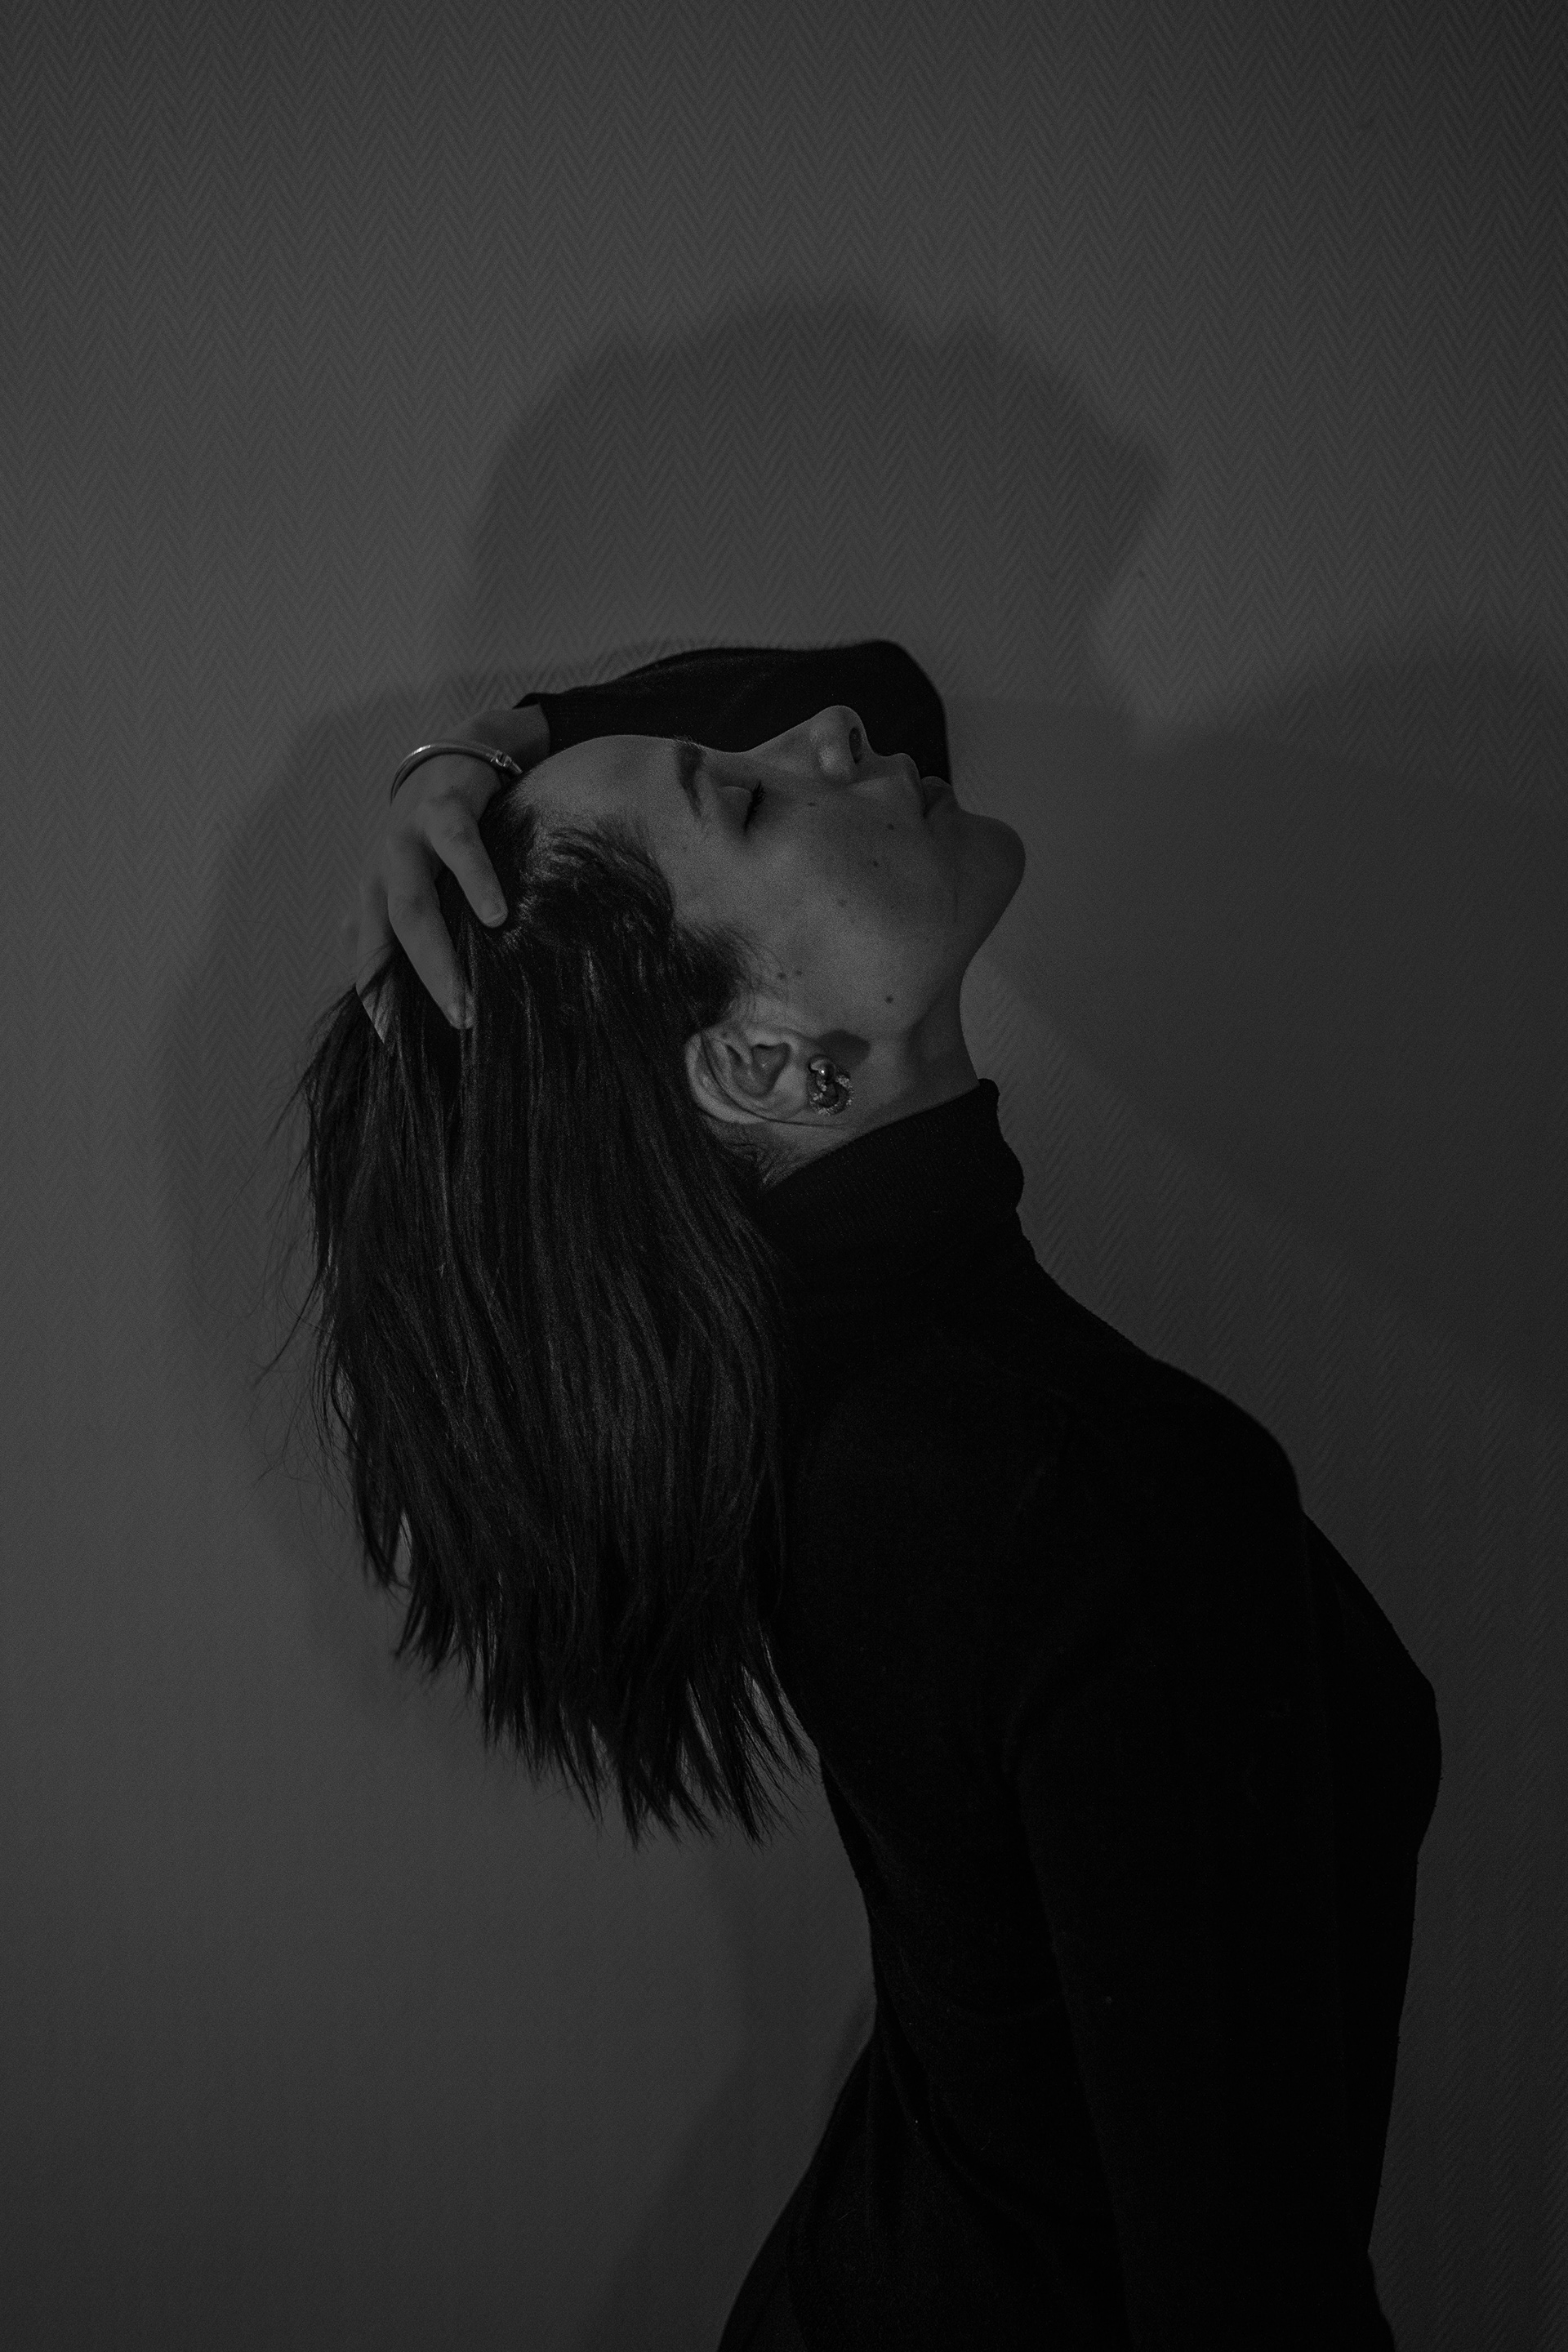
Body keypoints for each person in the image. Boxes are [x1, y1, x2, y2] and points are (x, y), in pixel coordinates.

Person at [298, 640, 1441, 2348]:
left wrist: (479, 752)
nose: (826, 735)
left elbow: (878, 685)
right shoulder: (1091, 1493)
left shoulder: (798, 1383)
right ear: (762, 1070)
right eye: (751, 798)